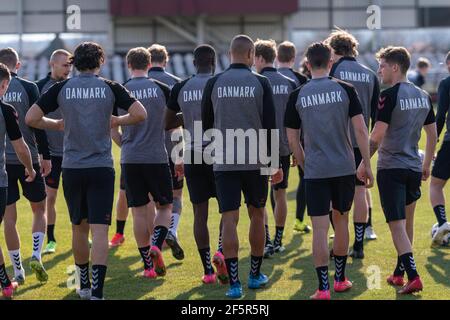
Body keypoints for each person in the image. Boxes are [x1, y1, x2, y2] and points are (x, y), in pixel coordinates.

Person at [26, 42, 147, 300]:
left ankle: (82, 285)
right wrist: (118, 120)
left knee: (78, 228)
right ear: (100, 62)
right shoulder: (110, 87)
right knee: (100, 230)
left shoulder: (61, 87)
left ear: (74, 63)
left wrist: (57, 124)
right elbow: (140, 113)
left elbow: (31, 118)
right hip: (101, 167)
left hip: (72, 168)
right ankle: (98, 292)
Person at [285, 42, 373, 300]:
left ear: (308, 64)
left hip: (315, 171)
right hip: (344, 168)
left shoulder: (297, 95)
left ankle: (323, 287)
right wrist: (366, 165)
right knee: (341, 222)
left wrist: (303, 164)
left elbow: (292, 140)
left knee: (320, 229)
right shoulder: (346, 89)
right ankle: (341, 279)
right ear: (331, 63)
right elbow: (361, 130)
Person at [202, 35, 282, 298]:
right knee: (257, 214)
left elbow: (206, 127)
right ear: (251, 54)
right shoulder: (261, 82)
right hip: (256, 160)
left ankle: (235, 284)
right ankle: (255, 275)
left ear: (229, 53)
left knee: (229, 219)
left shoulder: (214, 82)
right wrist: (275, 163)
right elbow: (270, 124)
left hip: (224, 161)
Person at [358, 46, 436, 293]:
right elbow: (432, 134)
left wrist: (363, 162)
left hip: (391, 167)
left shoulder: (389, 95)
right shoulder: (423, 95)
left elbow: (377, 136)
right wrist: (426, 165)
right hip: (413, 166)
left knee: (396, 224)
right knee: (407, 222)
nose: (379, 70)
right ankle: (399, 273)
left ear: (395, 67)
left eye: (382, 66)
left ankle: (413, 276)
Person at [166, 44, 228, 284]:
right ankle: (221, 251)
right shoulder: (221, 84)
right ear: (214, 62)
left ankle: (207, 272)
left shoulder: (181, 87)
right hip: (221, 151)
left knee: (200, 213)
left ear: (194, 63)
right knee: (228, 209)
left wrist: (189, 116)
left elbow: (167, 122)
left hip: (193, 153)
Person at [119, 47, 176, 278]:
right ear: (149, 64)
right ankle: (157, 243)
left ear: (128, 65)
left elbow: (110, 124)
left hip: (130, 158)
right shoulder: (162, 89)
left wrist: (123, 144)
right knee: (165, 207)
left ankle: (147, 267)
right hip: (156, 156)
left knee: (139, 213)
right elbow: (173, 124)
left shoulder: (120, 90)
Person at [326, 29, 380, 258]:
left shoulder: (334, 70)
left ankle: (341, 240)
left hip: (337, 142)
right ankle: (358, 244)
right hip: (362, 141)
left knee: (333, 197)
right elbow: (377, 117)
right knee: (359, 193)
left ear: (334, 50)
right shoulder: (370, 74)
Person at [0, 47, 51, 284]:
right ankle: (37, 255)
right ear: (17, 66)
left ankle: (17, 269)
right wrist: (45, 156)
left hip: (3, 164)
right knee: (39, 209)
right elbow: (37, 124)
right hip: (28, 156)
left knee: (9, 219)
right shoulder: (30, 87)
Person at [254, 39, 297, 257]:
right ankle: (278, 241)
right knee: (280, 192)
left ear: (261, 58)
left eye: (255, 58)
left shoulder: (256, 82)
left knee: (261, 197)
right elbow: (296, 119)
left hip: (261, 145)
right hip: (284, 145)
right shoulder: (289, 82)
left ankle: (267, 239)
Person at [0, 63, 36, 298]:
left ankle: (5, 282)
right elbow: (20, 147)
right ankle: (4, 283)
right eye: (5, 85)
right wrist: (30, 168)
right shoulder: (5, 109)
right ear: (4, 84)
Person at [147, 44, 184, 260]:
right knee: (176, 195)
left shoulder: (134, 84)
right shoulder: (177, 84)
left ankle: (155, 239)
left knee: (152, 199)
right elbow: (177, 123)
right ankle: (172, 230)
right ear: (166, 60)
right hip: (172, 147)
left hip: (145, 149)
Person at [36, 49, 72, 255]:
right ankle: (51, 239)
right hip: (50, 155)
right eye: (65, 65)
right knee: (50, 198)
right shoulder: (39, 88)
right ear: (53, 64)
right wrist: (42, 153)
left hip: (74, 152)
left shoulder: (73, 86)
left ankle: (84, 233)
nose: (69, 69)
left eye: (70, 65)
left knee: (77, 196)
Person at [276, 41, 311, 233]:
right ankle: (299, 220)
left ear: (276, 57)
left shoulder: (265, 77)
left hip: (272, 140)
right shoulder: (300, 79)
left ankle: (275, 230)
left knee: (276, 185)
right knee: (305, 177)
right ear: (293, 57)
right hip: (299, 137)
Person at [429, 51, 450, 246]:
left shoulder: (446, 83)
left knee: (435, 185)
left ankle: (443, 222)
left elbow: (441, 115)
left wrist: (432, 141)